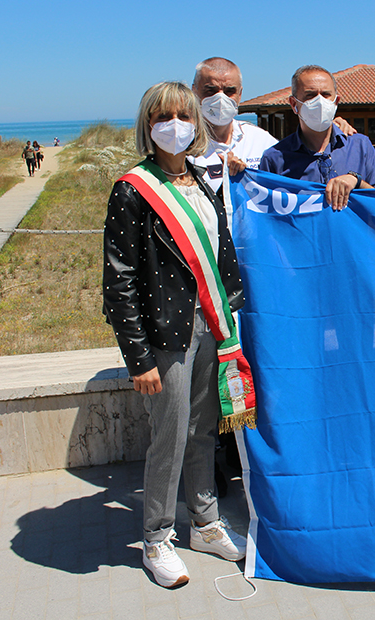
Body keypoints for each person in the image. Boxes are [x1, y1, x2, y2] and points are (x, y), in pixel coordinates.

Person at [103, 81, 247, 588]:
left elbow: (221, 253)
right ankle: (157, 537)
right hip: (167, 337)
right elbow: (118, 281)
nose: (176, 125)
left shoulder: (201, 183)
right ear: (148, 125)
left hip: (213, 329)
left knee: (204, 431)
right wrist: (138, 357)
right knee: (170, 435)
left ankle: (205, 522)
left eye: (185, 116)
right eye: (164, 116)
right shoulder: (132, 189)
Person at [259, 65, 375, 211]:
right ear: (294, 104)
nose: (319, 101)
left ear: (336, 102)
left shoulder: (360, 146)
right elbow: (265, 216)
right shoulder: (274, 158)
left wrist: (356, 181)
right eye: (310, 95)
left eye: (326, 94)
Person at [190, 57, 279, 192]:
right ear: (194, 91)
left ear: (240, 94)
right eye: (211, 90)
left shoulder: (261, 140)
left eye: (229, 91)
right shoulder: (182, 143)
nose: (220, 98)